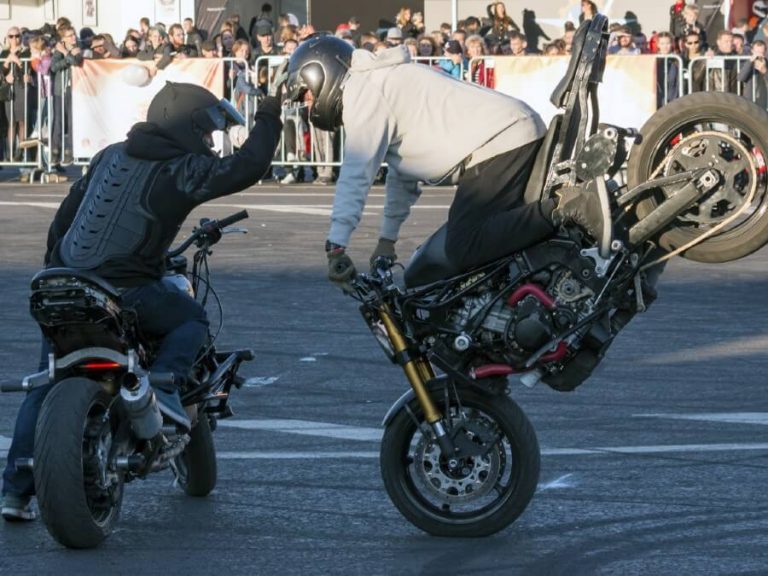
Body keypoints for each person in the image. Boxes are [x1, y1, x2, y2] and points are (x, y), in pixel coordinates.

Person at [0, 82, 284, 522]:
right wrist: (269, 112)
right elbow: (248, 165)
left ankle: (14, 493)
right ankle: (166, 385)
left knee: (48, 379)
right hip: (123, 290)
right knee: (191, 320)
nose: (209, 141)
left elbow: (62, 223)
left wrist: (61, 269)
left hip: (60, 285)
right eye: (206, 132)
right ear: (187, 125)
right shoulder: (180, 169)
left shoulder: (109, 155)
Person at [284, 35, 611, 289]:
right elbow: (402, 176)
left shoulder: (362, 92)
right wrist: (387, 241)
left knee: (463, 245)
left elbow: (356, 171)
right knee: (491, 245)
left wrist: (337, 245)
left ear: (319, 74)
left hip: (498, 141)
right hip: (505, 134)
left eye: (305, 94)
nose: (307, 104)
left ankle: (570, 208)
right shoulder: (378, 84)